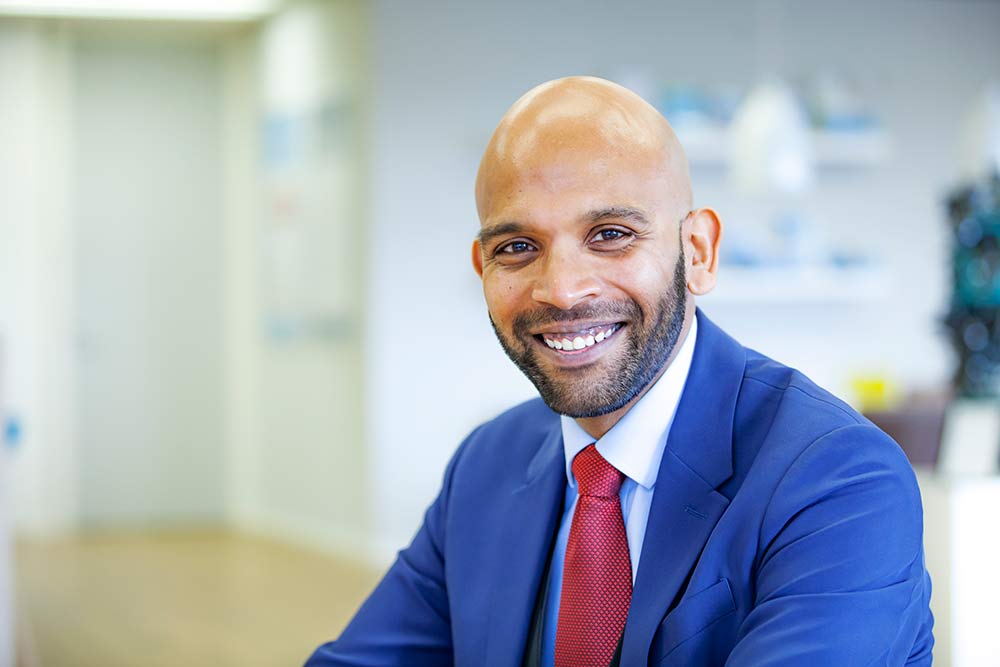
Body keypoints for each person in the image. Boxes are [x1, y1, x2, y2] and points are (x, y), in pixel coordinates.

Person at [306, 76, 934, 666]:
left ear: (699, 252)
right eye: (517, 248)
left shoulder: (838, 479)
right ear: (482, 268)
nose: (562, 290)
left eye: (610, 234)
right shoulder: (489, 462)